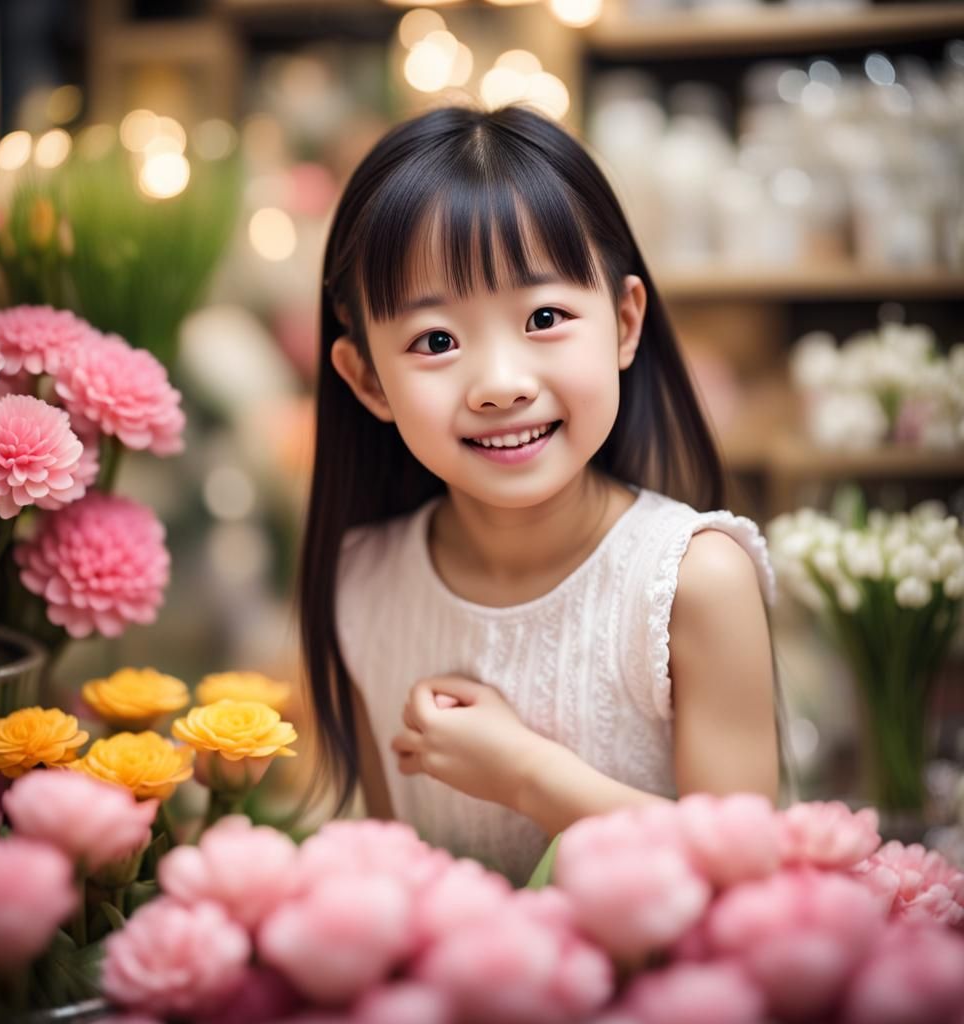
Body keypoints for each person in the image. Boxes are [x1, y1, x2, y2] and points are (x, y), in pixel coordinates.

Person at [297, 102, 788, 885]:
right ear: (366, 378)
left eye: (545, 316)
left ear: (625, 323)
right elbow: (401, 886)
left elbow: (753, 874)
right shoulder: (363, 582)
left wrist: (528, 775)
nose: (500, 385)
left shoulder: (693, 584)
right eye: (436, 341)